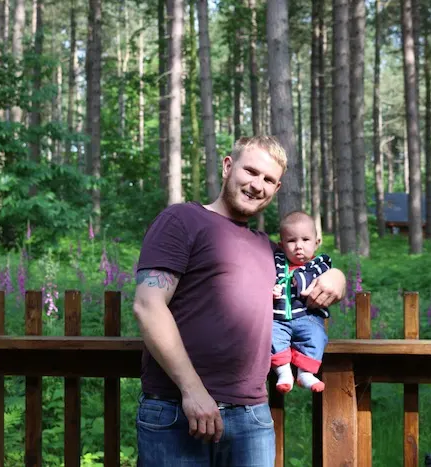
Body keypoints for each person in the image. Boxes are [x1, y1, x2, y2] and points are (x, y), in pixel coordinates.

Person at [133, 135, 346, 467]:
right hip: (177, 409)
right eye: (251, 171)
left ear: (276, 190)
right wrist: (192, 391)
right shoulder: (183, 220)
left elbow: (310, 265)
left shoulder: (266, 248)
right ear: (228, 167)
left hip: (251, 416)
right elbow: (148, 306)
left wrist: (337, 278)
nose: (257, 185)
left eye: (269, 180)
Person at [271, 211, 331, 394]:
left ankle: (305, 373)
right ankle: (283, 372)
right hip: (278, 319)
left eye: (305, 240)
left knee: (317, 337)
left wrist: (302, 283)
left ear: (316, 242)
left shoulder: (319, 264)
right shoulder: (276, 262)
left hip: (308, 317)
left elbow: (323, 283)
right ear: (281, 245)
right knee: (269, 335)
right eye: (291, 241)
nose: (299, 246)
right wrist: (271, 290)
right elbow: (265, 280)